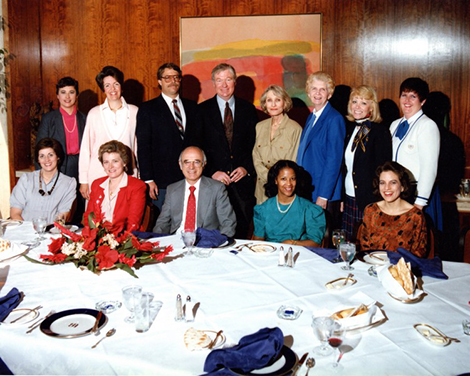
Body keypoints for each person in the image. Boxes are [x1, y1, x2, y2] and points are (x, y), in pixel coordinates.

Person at [198, 63, 258, 239]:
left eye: (228, 79)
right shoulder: (201, 111)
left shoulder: (249, 110)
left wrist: (246, 168)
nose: (224, 85)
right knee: (214, 234)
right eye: (219, 80)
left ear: (235, 82)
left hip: (242, 186)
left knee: (241, 233)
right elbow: (196, 147)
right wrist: (211, 172)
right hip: (213, 183)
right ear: (214, 84)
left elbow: (256, 145)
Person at [136, 62, 200, 212]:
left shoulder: (193, 107)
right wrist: (148, 179)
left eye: (176, 77)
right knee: (163, 225)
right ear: (159, 81)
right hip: (162, 182)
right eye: (167, 78)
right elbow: (143, 147)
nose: (173, 81)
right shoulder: (147, 109)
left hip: (191, 178)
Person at [79, 66, 138, 202]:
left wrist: (138, 174)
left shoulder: (134, 112)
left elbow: (137, 147)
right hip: (98, 174)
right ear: (103, 89)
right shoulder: (94, 113)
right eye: (107, 85)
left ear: (121, 86)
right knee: (97, 216)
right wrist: (84, 180)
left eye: (116, 84)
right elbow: (86, 148)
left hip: (126, 174)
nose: (113, 89)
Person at [390, 77, 442, 231]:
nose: (407, 101)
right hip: (397, 193)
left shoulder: (427, 126)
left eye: (413, 96)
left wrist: (419, 204)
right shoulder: (394, 125)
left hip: (417, 196)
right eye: (404, 95)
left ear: (423, 101)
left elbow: (429, 168)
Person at [296, 71, 346, 229]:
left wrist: (323, 195)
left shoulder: (334, 119)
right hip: (309, 189)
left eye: (322, 89)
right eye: (314, 89)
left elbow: (334, 161)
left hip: (324, 194)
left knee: (325, 243)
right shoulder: (312, 116)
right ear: (308, 92)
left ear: (329, 94)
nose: (317, 93)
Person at [342, 85, 392, 239]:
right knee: (349, 244)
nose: (357, 106)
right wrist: (343, 197)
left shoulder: (379, 131)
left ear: (372, 106)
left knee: (366, 243)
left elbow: (382, 170)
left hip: (367, 200)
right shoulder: (350, 128)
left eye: (363, 103)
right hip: (349, 197)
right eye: (354, 101)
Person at [153, 146, 236, 237]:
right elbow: (162, 223)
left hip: (206, 242)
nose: (191, 167)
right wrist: (157, 242)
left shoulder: (217, 188)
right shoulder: (172, 189)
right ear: (180, 165)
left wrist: (220, 244)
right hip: (177, 240)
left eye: (196, 162)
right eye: (187, 162)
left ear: (204, 164)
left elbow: (228, 223)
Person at [36, 76, 86, 223]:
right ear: (57, 95)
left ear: (77, 95)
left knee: (78, 208)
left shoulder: (85, 118)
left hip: (79, 167)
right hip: (56, 167)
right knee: (56, 209)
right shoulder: (49, 119)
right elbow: (40, 148)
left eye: (71, 92)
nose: (67, 97)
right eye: (63, 92)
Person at [360, 161, 427, 257]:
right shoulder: (371, 211)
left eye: (393, 182)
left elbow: (419, 254)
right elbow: (365, 248)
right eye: (382, 183)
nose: (387, 188)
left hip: (402, 270)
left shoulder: (415, 216)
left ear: (403, 186)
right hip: (373, 267)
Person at [253, 160, 325, 247]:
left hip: (298, 253)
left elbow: (316, 243)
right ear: (276, 180)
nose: (289, 184)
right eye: (283, 179)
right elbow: (258, 241)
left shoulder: (308, 209)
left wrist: (292, 243)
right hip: (270, 255)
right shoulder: (263, 209)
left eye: (292, 179)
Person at [83, 140, 146, 235]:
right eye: (106, 162)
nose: (110, 166)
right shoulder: (97, 184)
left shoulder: (137, 186)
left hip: (123, 239)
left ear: (124, 162)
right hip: (97, 237)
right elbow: (88, 217)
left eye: (115, 161)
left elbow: (133, 224)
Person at [252, 85, 302, 204]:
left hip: (283, 189)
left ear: (284, 103)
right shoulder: (260, 127)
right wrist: (267, 177)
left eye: (277, 100)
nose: (273, 105)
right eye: (269, 100)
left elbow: (293, 161)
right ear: (265, 104)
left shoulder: (295, 129)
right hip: (261, 189)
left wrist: (276, 179)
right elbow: (256, 157)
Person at [10, 138, 76, 224]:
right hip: (25, 232)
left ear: (58, 157)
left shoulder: (68, 183)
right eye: (42, 156)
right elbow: (15, 213)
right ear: (38, 160)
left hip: (52, 233)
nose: (46, 160)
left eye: (50, 155)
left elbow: (64, 215)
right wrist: (27, 231)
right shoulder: (26, 179)